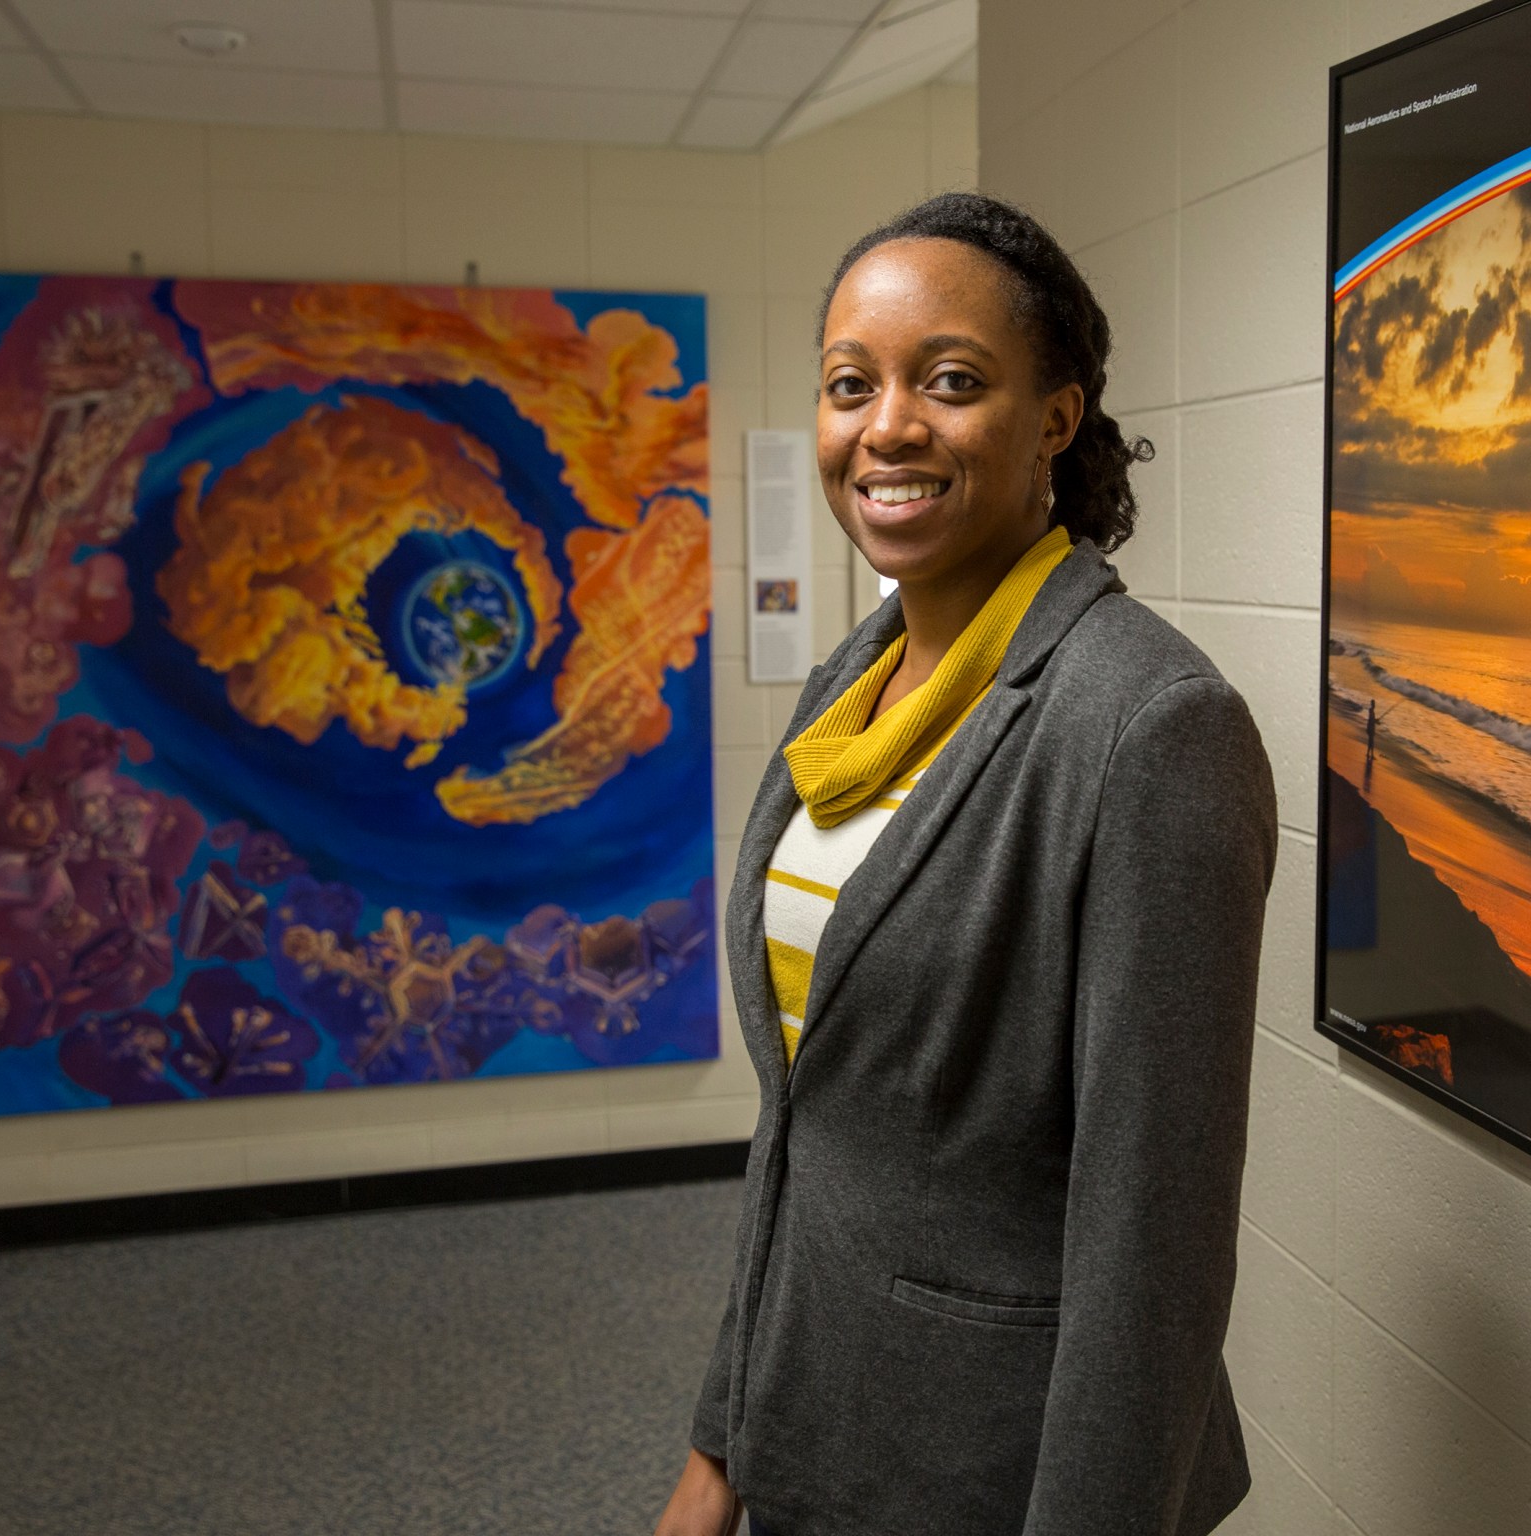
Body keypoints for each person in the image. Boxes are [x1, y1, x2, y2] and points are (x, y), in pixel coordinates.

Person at [654, 192, 1277, 1536]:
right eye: (849, 383)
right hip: (814, 1430)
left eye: (950, 380)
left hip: (999, 1472)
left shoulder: (1150, 726)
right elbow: (808, 1135)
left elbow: (1153, 1245)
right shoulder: (852, 683)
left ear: (1055, 416)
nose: (888, 426)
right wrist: (721, 1444)